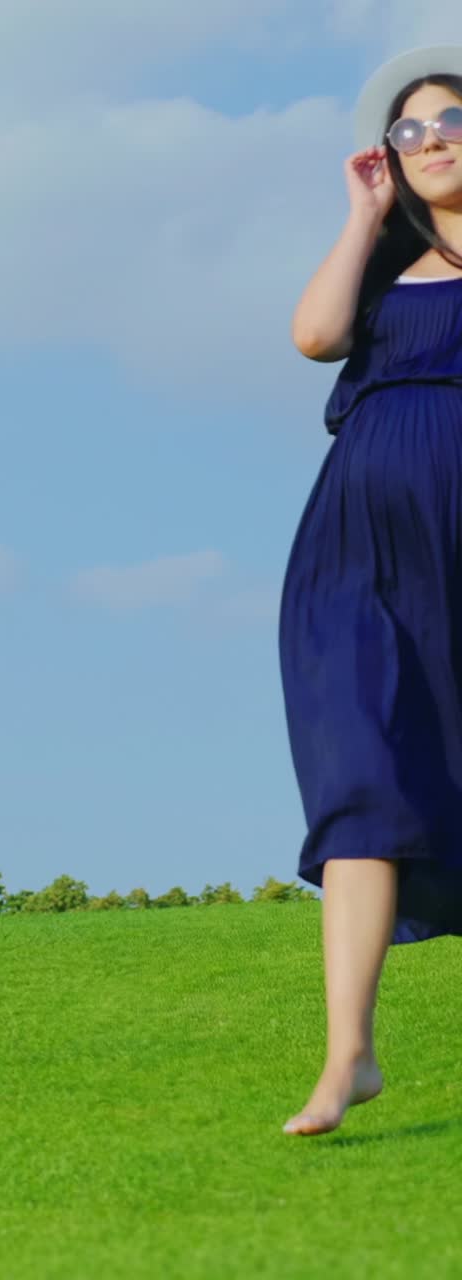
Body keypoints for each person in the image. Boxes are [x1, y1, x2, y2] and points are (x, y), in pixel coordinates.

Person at [279, 45, 462, 1136]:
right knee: (358, 775)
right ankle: (347, 1052)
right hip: (354, 551)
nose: (432, 140)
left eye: (450, 122)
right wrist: (363, 216)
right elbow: (312, 336)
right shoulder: (384, 273)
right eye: (410, 130)